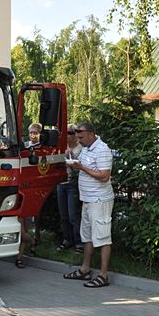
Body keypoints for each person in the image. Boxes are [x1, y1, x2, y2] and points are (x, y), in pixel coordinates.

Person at [63, 121, 115, 288]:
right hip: (88, 199)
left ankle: (103, 275)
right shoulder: (86, 147)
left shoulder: (102, 150)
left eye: (81, 137)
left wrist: (81, 167)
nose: (79, 140)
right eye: (77, 136)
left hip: (99, 200)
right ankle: (85, 269)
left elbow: (104, 176)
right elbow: (85, 165)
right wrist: (73, 161)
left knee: (103, 237)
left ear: (91, 134)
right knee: (87, 236)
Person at [15, 122, 43, 268]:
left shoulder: (43, 148)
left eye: (35, 132)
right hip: (17, 188)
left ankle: (20, 257)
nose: (33, 135)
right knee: (20, 228)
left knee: (23, 226)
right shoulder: (23, 146)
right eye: (31, 132)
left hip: (29, 189)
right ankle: (32, 242)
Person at [57, 124, 84, 252]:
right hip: (61, 183)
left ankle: (79, 243)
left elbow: (80, 167)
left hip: (73, 183)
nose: (68, 135)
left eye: (70, 133)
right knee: (63, 215)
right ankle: (66, 240)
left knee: (73, 215)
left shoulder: (80, 148)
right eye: (66, 133)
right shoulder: (61, 147)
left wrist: (71, 155)